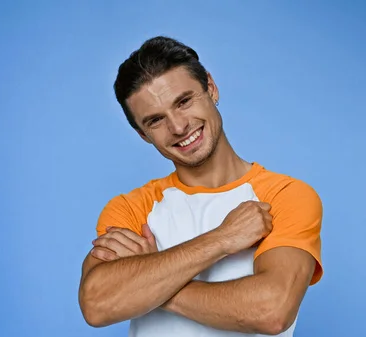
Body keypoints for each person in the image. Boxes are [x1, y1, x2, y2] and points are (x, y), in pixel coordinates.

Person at [78, 36, 324, 337]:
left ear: (211, 88)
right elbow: (96, 303)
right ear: (143, 135)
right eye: (155, 120)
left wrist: (148, 284)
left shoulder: (285, 196)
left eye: (183, 101)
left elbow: (272, 311)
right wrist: (223, 238)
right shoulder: (131, 208)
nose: (179, 127)